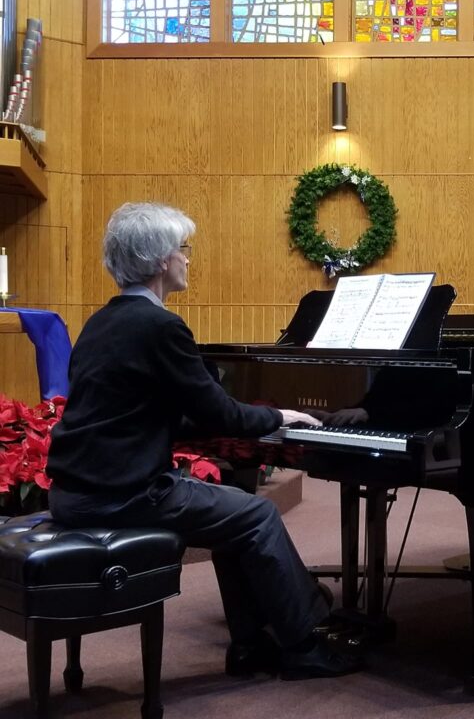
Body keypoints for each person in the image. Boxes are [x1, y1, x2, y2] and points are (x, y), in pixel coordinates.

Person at [46, 202, 360, 681]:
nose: (187, 259)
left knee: (234, 515)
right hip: (123, 495)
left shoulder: (101, 323)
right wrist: (280, 415)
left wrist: (254, 422)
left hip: (78, 491)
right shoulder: (160, 326)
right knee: (256, 514)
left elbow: (142, 416)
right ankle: (304, 643)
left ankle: (250, 644)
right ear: (158, 261)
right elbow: (218, 412)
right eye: (182, 250)